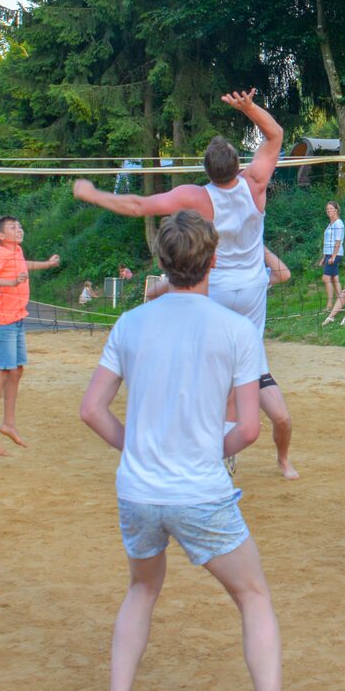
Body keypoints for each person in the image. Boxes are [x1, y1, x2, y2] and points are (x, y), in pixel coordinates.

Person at [76, 211, 305, 691]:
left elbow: (92, 410)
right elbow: (249, 429)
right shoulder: (236, 329)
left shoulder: (130, 322)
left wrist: (135, 447)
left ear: (162, 263)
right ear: (213, 261)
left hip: (137, 491)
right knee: (253, 597)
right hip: (200, 492)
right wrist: (204, 451)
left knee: (141, 589)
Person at [72, 89, 297, 479]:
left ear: (207, 171)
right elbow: (275, 134)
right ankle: (222, 450)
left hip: (214, 287)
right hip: (251, 288)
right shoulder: (255, 181)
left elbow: (138, 206)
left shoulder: (196, 196)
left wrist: (93, 194)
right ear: (237, 165)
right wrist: (248, 109)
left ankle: (198, 444)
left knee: (214, 370)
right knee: (234, 373)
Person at [0, 215, 61, 457]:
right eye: (13, 228)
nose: (19, 230)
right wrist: (10, 281)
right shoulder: (0, 253)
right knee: (3, 372)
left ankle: (9, 424)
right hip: (2, 320)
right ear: (1, 236)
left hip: (16, 318)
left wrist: (47, 264)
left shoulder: (16, 251)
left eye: (20, 226)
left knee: (17, 370)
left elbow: (25, 266)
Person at [320, 202, 345, 311]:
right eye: (327, 209)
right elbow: (327, 241)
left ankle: (329, 304)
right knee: (335, 278)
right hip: (328, 254)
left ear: (336, 210)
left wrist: (333, 256)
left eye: (331, 208)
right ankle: (341, 301)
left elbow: (338, 241)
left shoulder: (338, 223)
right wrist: (324, 257)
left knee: (326, 278)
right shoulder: (330, 223)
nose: (329, 210)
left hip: (335, 253)